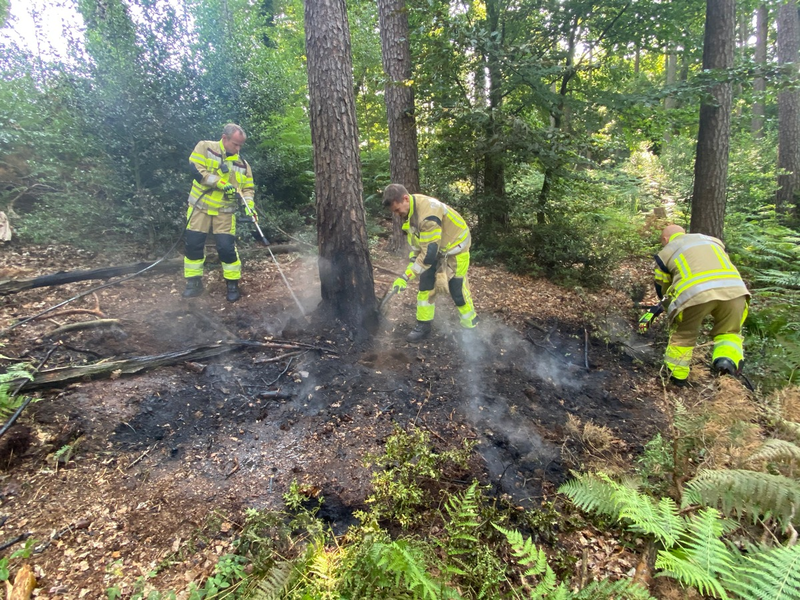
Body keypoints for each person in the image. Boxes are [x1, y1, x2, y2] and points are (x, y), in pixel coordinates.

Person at [638, 224, 750, 385]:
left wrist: (668, 306)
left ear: (665, 239)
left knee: (683, 335)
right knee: (730, 332)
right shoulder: (712, 241)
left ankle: (677, 378)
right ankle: (726, 361)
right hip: (736, 292)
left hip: (695, 295)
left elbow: (662, 286)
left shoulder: (666, 252)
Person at [382, 184, 477, 342]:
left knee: (457, 290)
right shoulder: (409, 215)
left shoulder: (428, 215)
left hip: (456, 249)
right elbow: (419, 249)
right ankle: (423, 326)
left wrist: (406, 277)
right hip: (435, 250)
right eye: (394, 212)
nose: (397, 215)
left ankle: (470, 327)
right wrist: (411, 266)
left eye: (397, 210)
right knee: (425, 286)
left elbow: (428, 256)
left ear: (405, 198)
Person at [182, 123, 256, 302]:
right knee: (193, 245)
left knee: (226, 248)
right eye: (235, 144)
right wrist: (220, 183)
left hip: (224, 212)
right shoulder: (205, 147)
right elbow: (196, 169)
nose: (238, 149)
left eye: (240, 145)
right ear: (224, 138)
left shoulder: (243, 165)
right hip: (200, 208)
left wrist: (249, 206)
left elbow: (248, 188)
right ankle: (193, 283)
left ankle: (232, 285)